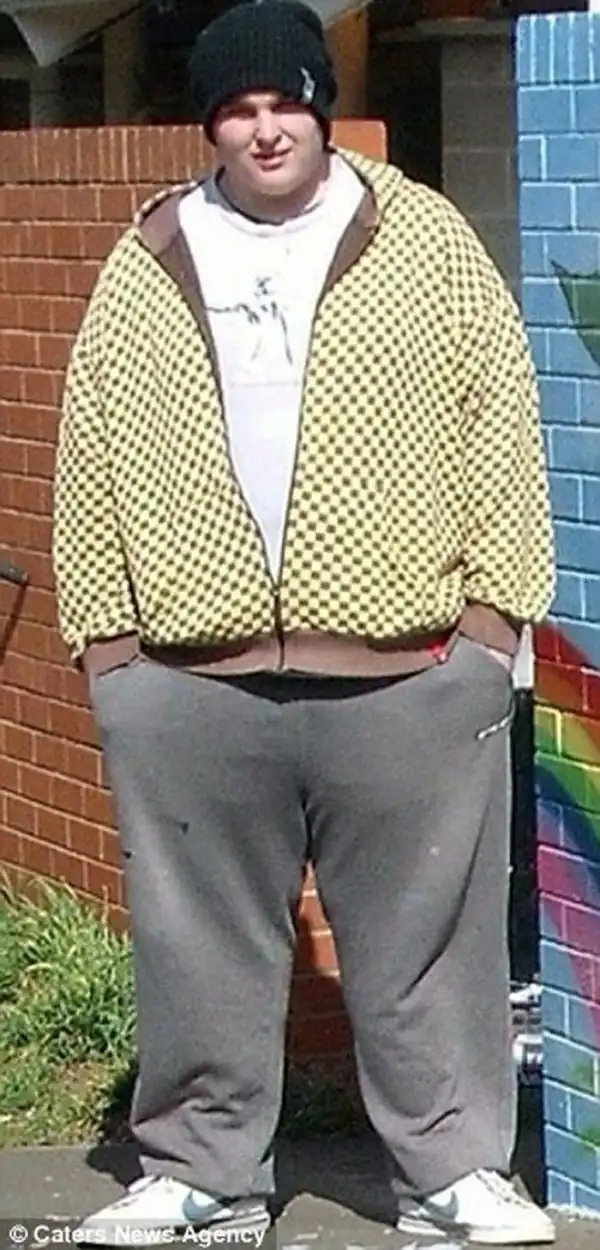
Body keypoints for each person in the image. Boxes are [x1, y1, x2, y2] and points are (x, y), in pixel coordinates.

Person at [52, 1, 556, 1244]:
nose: (266, 128)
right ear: (209, 124)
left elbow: (501, 420)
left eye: (286, 101)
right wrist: (113, 651)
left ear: (323, 109)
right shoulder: (150, 255)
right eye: (238, 108)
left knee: (430, 942)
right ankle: (201, 1169)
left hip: (409, 667)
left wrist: (490, 628)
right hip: (190, 674)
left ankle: (450, 1171)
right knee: (194, 945)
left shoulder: (425, 239)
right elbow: (90, 448)